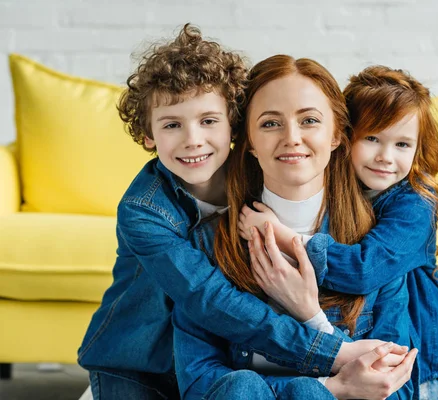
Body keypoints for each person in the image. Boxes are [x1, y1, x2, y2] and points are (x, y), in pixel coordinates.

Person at [77, 25, 401, 399]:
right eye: (171, 125)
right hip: (138, 363)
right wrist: (335, 352)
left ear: (234, 126)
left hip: (211, 358)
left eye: (208, 121)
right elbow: (209, 299)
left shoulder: (265, 169)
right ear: (148, 135)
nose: (193, 139)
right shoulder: (144, 211)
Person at [241, 66, 438, 400]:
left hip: (420, 366)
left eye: (402, 144)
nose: (385, 157)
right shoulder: (345, 191)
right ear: (345, 136)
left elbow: (362, 269)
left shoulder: (414, 202)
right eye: (372, 139)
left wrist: (279, 234)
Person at [173, 54, 418, 400]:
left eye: (309, 121)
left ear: (336, 136)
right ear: (250, 144)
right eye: (271, 124)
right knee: (242, 388)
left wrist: (313, 317)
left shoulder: (377, 243)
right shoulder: (206, 243)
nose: (292, 137)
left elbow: (394, 387)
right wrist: (328, 388)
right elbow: (200, 385)